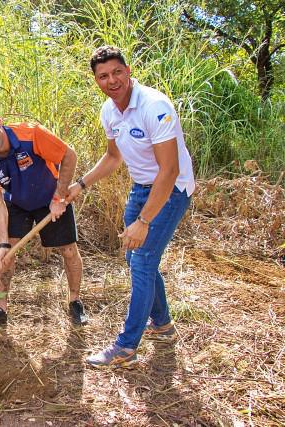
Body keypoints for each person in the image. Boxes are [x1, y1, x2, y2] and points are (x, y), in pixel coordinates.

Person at [68, 46, 195, 368]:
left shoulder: (155, 106)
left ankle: (126, 346)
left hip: (171, 190)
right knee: (135, 257)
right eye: (103, 76)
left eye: (117, 72)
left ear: (128, 70)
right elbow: (113, 157)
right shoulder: (109, 112)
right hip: (140, 188)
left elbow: (169, 171)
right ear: (96, 80)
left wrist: (144, 220)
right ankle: (163, 324)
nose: (112, 80)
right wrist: (80, 185)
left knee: (141, 261)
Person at [0, 104, 88, 331]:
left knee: (69, 250)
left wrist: (59, 196)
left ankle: (75, 301)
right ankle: (0, 309)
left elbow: (69, 155)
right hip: (17, 202)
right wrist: (1, 244)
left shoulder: (31, 134)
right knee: (6, 256)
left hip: (51, 196)